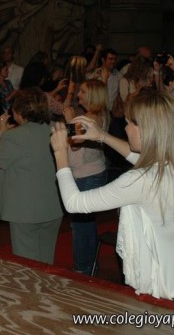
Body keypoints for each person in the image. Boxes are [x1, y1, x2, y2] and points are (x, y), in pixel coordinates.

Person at [51, 90, 174, 313]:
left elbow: (75, 203)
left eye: (130, 123)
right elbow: (146, 157)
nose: (125, 128)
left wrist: (60, 154)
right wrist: (102, 136)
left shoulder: (140, 180)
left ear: (147, 129)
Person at [0, 88, 62, 264]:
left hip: (24, 211)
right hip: (52, 206)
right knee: (46, 262)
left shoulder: (14, 137)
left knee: (27, 265)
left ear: (19, 113)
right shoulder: (55, 130)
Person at [63, 80, 109, 274]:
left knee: (81, 226)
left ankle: (84, 268)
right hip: (95, 172)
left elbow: (74, 144)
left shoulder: (85, 120)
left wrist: (69, 121)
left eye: (82, 91)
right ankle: (89, 265)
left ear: (92, 95)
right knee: (86, 224)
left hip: (86, 175)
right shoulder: (101, 115)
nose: (78, 95)